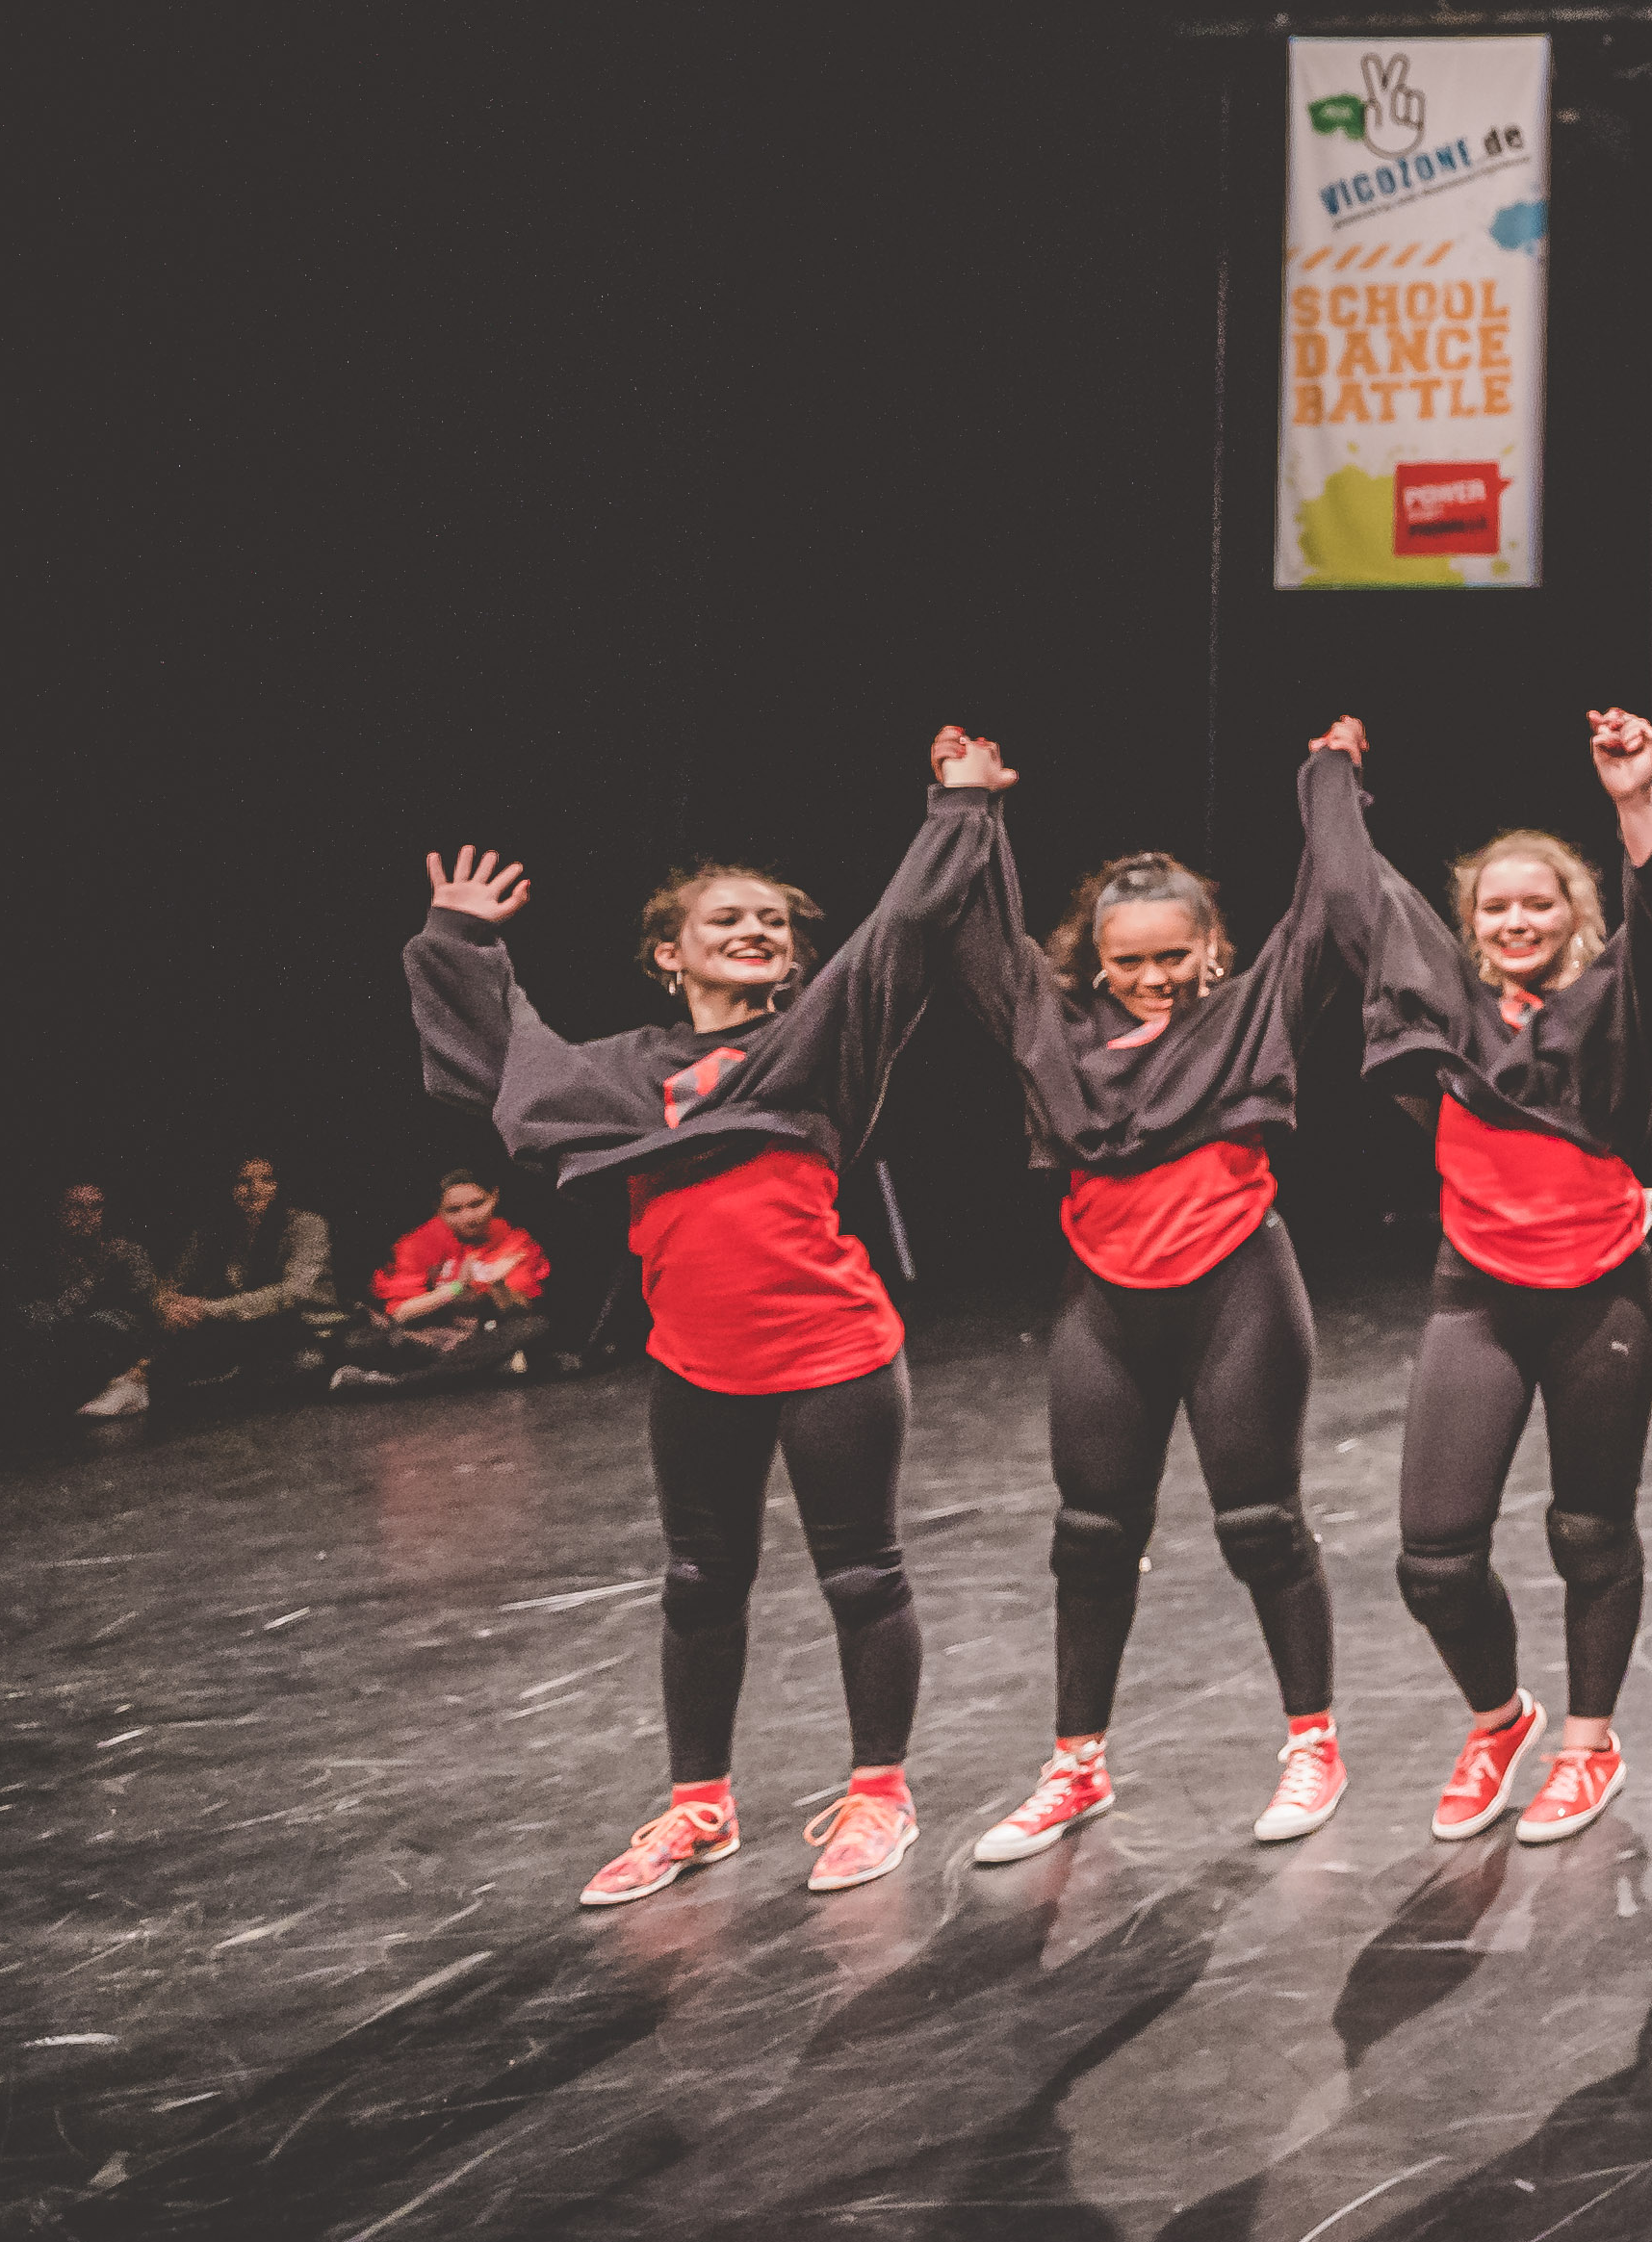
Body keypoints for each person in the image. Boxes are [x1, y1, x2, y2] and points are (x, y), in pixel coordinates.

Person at [407, 730, 1014, 1906]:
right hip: (697, 1364)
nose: (755, 931)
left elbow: (897, 931)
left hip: (834, 1353)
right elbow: (508, 1062)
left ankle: (879, 1795)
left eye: (774, 923)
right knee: (697, 1580)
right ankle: (700, 1808)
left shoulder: (815, 1042)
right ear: (668, 952)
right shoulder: (620, 1075)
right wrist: (461, 940)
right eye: (726, 918)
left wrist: (957, 809)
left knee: (861, 1575)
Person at [944, 722, 1400, 1869]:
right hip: (1106, 1303)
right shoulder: (1058, 1032)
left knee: (1261, 1524)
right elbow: (981, 938)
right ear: (1097, 959)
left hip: (1237, 1283)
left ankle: (1313, 1744)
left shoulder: (1248, 1013)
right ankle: (1076, 1764)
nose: (1153, 978)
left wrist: (1331, 779)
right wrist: (967, 808)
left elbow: (1327, 908)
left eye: (1173, 956)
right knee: (1092, 1537)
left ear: (1210, 949)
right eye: (1130, 960)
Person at [1357, 711, 1652, 1849]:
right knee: (1434, 1561)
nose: (1517, 920)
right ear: (1470, 924)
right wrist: (1328, 779)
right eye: (1495, 907)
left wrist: (1634, 801)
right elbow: (1355, 898)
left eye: (1539, 903)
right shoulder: (1450, 1021)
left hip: (1599, 1299)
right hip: (1476, 1298)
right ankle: (1499, 1718)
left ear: (1576, 913)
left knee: (1589, 1532)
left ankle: (1588, 1743)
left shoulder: (1616, 1001)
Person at [329, 1171, 554, 1390]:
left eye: (477, 1204)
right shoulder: (419, 1242)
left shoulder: (514, 1241)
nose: (469, 1217)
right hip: (424, 1339)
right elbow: (400, 1313)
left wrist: (498, 1284)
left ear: (494, 1196)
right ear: (438, 1209)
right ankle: (482, 1370)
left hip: (478, 1341)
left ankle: (396, 1382)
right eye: (454, 1210)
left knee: (533, 1327)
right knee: (357, 1339)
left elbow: (520, 1315)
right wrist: (456, 1288)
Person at [146, 1155, 342, 1402]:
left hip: (305, 1329)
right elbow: (171, 1282)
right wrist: (166, 1306)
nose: (254, 1189)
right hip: (241, 1327)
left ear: (280, 1185)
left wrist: (207, 1309)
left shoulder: (305, 1225)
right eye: (243, 1181)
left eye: (266, 1180)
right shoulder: (213, 1231)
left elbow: (293, 1293)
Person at [20, 1180, 173, 1418]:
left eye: (95, 1207)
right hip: (64, 1341)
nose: (86, 1215)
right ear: (59, 1211)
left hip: (114, 1343)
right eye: (76, 1207)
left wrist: (143, 1364)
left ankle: (128, 1386)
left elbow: (151, 1312)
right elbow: (39, 1312)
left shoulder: (124, 1253)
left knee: (96, 1327)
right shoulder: (46, 1258)